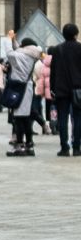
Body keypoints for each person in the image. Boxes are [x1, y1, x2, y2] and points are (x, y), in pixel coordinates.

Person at [4, 37, 44, 157]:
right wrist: (14, 40)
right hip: (28, 87)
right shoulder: (32, 55)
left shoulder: (21, 56)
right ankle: (29, 145)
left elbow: (10, 53)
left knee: (19, 117)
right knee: (26, 117)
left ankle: (20, 146)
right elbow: (18, 50)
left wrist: (8, 39)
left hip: (19, 88)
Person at [50, 24, 81, 157]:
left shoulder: (57, 49)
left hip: (61, 89)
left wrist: (52, 88)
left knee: (62, 118)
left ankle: (64, 147)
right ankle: (76, 148)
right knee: (78, 119)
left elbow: (53, 71)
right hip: (78, 88)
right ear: (76, 34)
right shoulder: (80, 48)